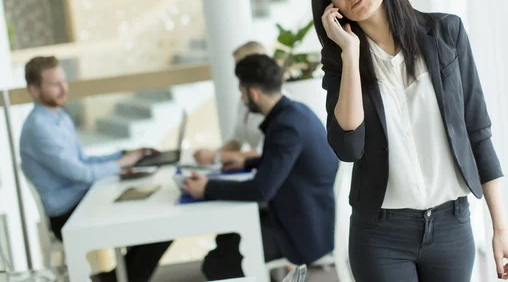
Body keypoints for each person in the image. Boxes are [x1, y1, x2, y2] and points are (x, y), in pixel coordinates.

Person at [310, 0, 508, 281]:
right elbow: (348, 147)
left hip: (452, 227)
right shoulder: (341, 62)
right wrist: (349, 53)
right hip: (380, 236)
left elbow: (477, 132)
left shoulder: (445, 33)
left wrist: (502, 229)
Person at [181, 54, 338, 280]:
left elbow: (262, 189)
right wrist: (246, 161)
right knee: (226, 238)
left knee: (215, 265)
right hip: (303, 215)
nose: (242, 99)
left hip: (300, 231)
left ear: (253, 93)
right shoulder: (295, 112)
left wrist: (206, 188)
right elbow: (283, 162)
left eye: (242, 92)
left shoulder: (286, 127)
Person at [19, 56, 171, 282]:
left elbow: (83, 160)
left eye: (64, 81)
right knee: (154, 224)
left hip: (83, 199)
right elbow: (81, 173)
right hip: (68, 214)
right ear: (34, 90)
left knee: (155, 216)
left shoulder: (59, 116)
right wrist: (121, 164)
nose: (64, 88)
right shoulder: (39, 128)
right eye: (55, 84)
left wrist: (122, 155)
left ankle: (114, 279)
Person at [193, 41, 267, 168]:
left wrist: (216, 157)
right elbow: (237, 141)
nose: (239, 76)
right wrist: (211, 153)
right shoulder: (244, 100)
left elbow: (262, 152)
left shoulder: (273, 103)